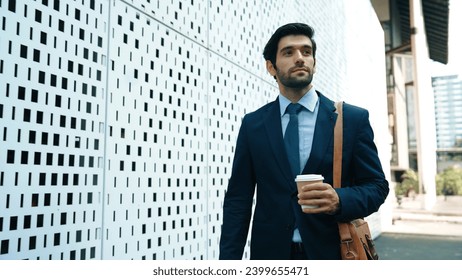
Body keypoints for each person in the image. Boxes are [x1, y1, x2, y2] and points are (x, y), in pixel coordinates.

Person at [219, 23, 389, 260]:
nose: (299, 58)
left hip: (333, 253)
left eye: (306, 52)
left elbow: (377, 186)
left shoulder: (351, 118)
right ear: (271, 67)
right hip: (270, 256)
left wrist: (340, 199)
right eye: (288, 52)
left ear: (314, 63)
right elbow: (238, 198)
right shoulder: (253, 124)